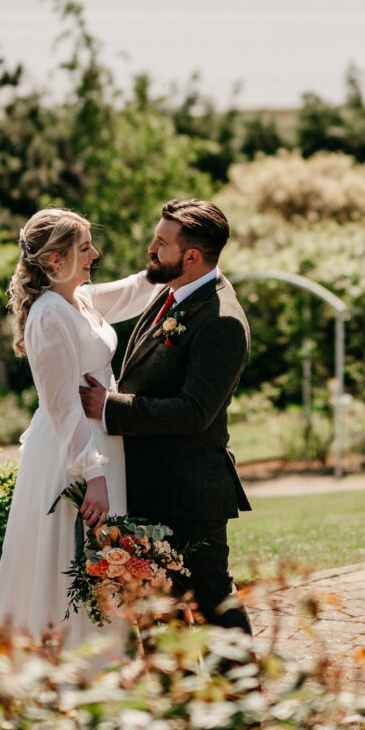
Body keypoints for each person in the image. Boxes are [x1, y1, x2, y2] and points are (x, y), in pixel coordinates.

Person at [78, 198, 253, 633]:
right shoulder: (169, 291)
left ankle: (244, 695)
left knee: (212, 604)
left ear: (191, 256)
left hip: (189, 493)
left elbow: (194, 412)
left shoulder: (221, 320)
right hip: (149, 484)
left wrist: (108, 407)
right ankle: (174, 696)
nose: (150, 249)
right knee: (157, 608)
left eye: (161, 243)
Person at [0, 208, 156, 650]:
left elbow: (133, 291)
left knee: (102, 561)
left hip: (100, 443)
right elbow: (61, 407)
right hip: (73, 454)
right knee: (70, 557)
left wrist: (177, 264)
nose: (95, 254)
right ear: (55, 260)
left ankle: (104, 666)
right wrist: (93, 476)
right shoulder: (48, 315)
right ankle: (66, 667)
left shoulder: (78, 300)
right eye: (84, 248)